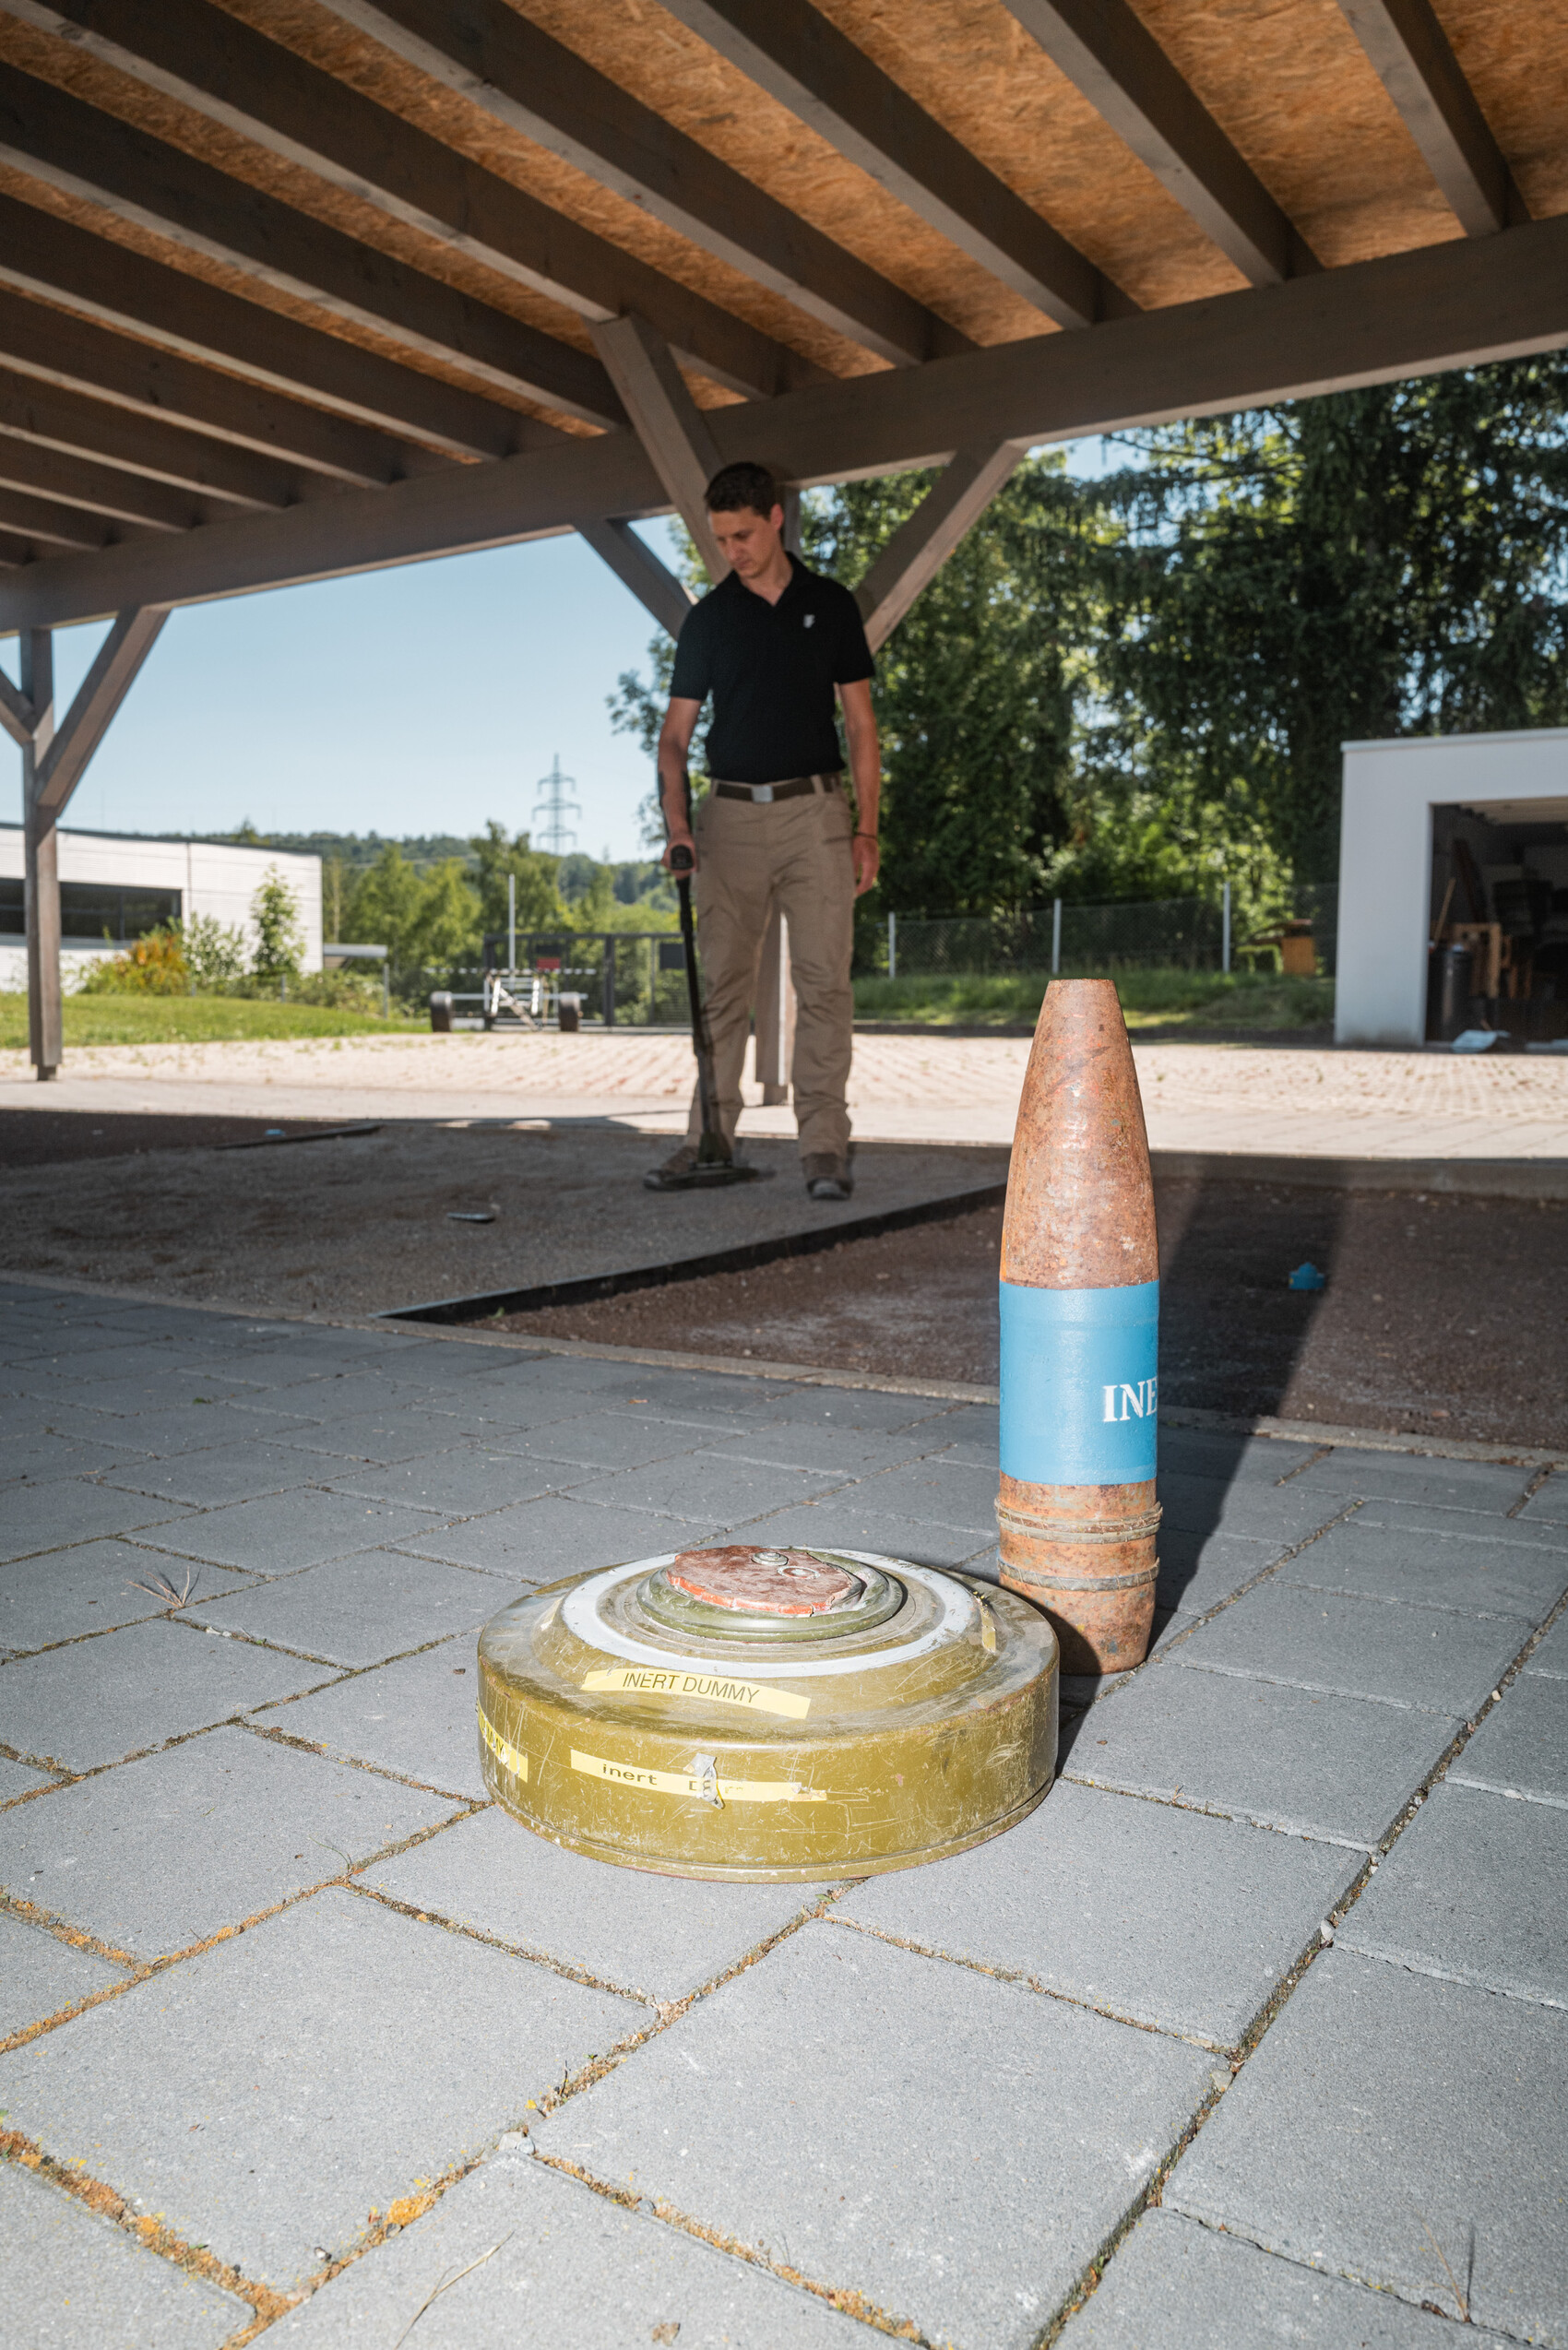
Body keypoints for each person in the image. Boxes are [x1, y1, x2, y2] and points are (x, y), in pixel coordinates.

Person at [647, 461, 881, 1201]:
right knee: (722, 989)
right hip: (729, 822)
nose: (732, 552)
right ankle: (708, 1140)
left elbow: (861, 726)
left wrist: (867, 829)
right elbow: (674, 738)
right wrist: (679, 824)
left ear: (775, 519)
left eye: (743, 535)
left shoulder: (831, 605)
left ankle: (824, 1149)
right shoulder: (710, 620)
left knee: (824, 986)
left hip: (816, 815)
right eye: (722, 539)